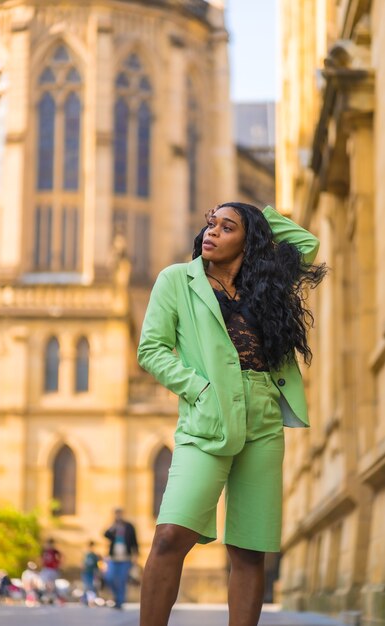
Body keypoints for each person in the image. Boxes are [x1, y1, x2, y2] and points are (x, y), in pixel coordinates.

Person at [137, 203, 327, 626]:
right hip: (208, 415)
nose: (212, 233)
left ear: (250, 239)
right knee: (170, 537)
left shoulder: (264, 283)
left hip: (263, 417)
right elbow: (150, 350)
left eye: (227, 227)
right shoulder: (177, 281)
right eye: (210, 224)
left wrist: (256, 214)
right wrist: (198, 389)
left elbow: (308, 245)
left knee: (248, 550)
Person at [103, 507, 139, 609]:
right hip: (113, 558)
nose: (118, 516)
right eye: (116, 514)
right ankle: (116, 596)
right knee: (109, 578)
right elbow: (105, 535)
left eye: (119, 514)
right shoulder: (113, 527)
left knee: (122, 580)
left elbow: (134, 542)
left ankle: (120, 601)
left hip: (126, 558)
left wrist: (135, 555)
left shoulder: (129, 526)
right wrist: (113, 526)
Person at [81, 541, 100, 606]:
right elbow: (83, 564)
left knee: (92, 586)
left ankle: (91, 600)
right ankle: (85, 599)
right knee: (86, 586)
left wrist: (97, 572)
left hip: (92, 572)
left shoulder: (94, 556)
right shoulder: (86, 555)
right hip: (86, 572)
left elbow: (97, 565)